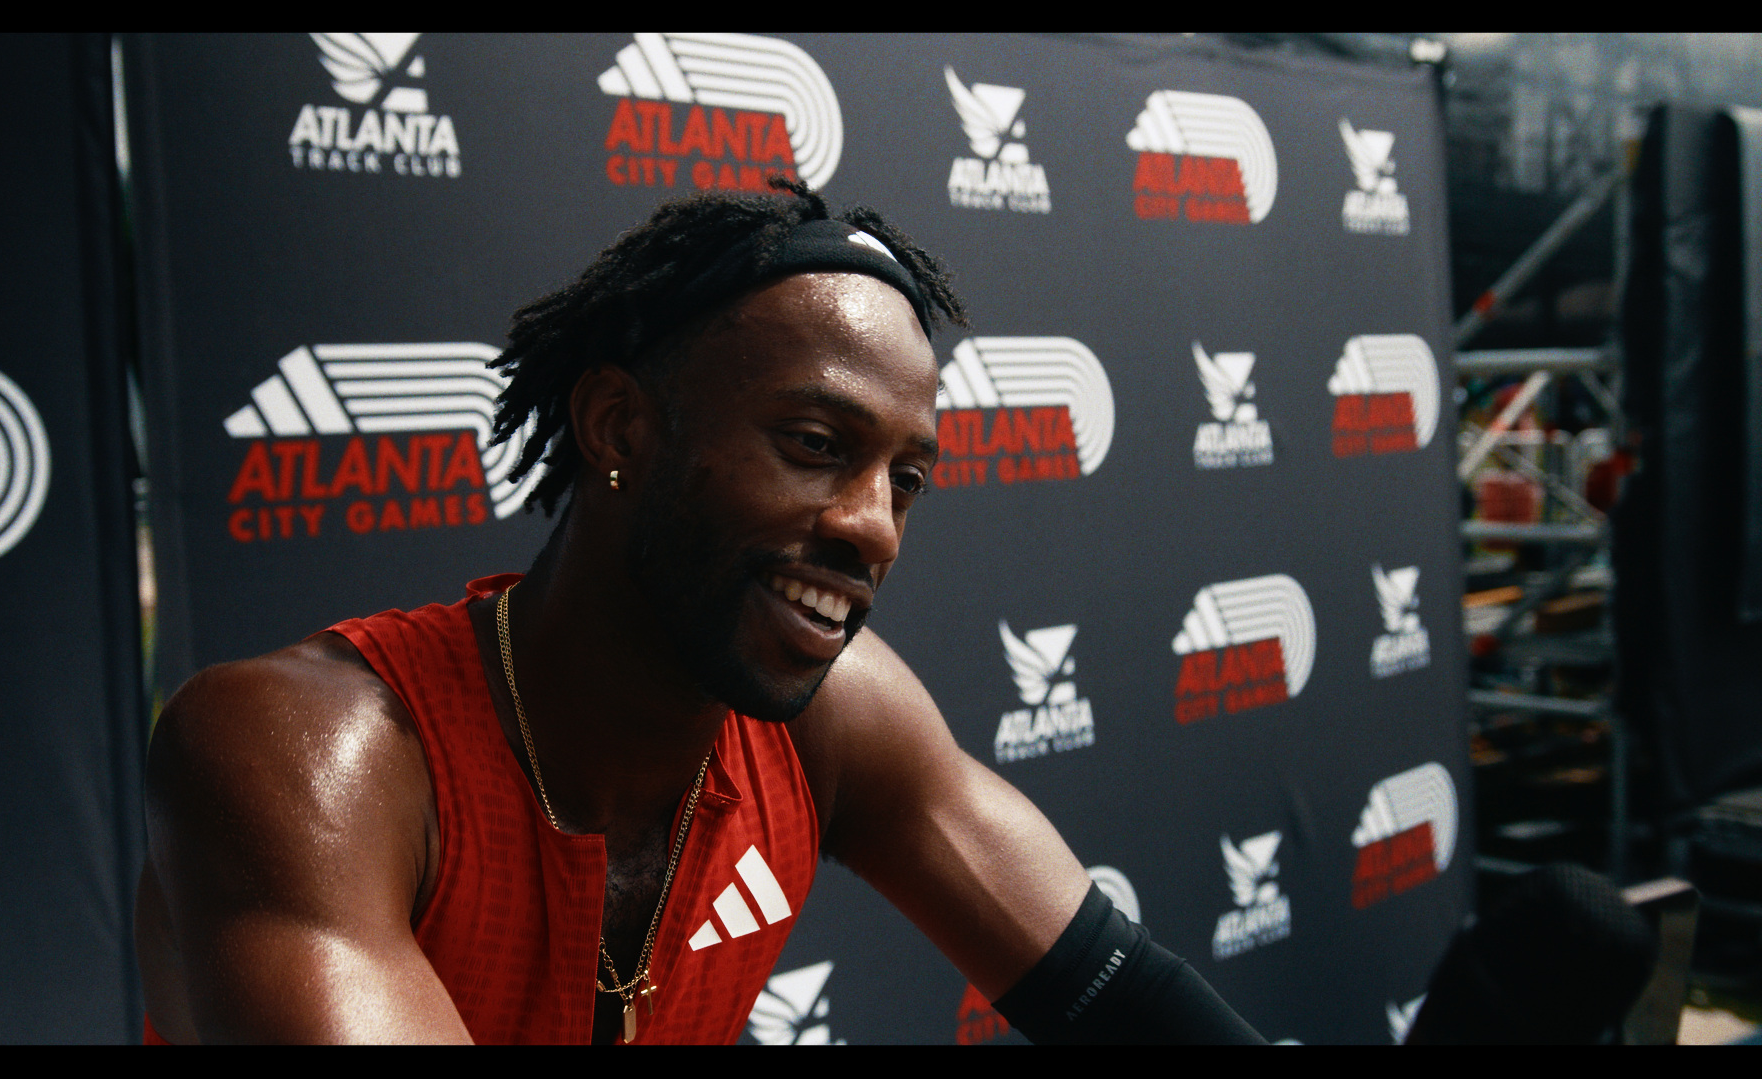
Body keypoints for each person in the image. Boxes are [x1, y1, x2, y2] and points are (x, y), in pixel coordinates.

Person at [134, 181, 1265, 1045]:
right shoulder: (310, 751)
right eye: (817, 447)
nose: (873, 526)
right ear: (621, 428)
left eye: (904, 481)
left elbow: (1125, 1000)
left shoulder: (839, 717)